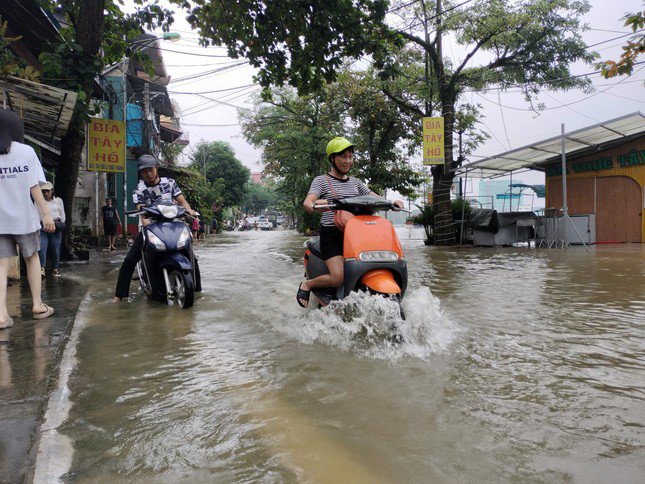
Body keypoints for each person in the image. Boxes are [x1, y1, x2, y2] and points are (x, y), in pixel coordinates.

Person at [297, 137, 403, 308]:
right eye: (343, 157)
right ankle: (307, 285)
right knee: (338, 276)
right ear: (333, 158)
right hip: (332, 234)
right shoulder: (321, 181)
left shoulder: (356, 182)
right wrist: (315, 205)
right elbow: (309, 201)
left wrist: (391, 203)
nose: (348, 161)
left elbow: (373, 197)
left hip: (356, 234)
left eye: (351, 157)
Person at [113, 154, 200, 302]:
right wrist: (148, 227)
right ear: (141, 173)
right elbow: (141, 212)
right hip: (152, 227)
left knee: (191, 254)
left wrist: (190, 211)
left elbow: (182, 201)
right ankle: (120, 295)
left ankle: (197, 289)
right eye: (144, 171)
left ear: (157, 168)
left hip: (173, 226)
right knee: (130, 260)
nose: (148, 174)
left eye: (151, 170)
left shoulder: (170, 183)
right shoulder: (139, 190)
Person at [0, 109, 55, 329]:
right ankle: (37, 305)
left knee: (1, 265)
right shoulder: (26, 151)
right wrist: (47, 215)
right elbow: (35, 187)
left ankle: (2, 315)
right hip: (25, 219)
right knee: (32, 258)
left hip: (0, 221)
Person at [38, 181, 65, 276]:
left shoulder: (58, 201)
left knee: (56, 248)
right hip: (43, 226)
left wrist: (59, 223)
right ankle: (42, 268)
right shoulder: (39, 201)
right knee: (42, 247)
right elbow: (36, 214)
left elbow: (62, 215)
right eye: (43, 191)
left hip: (56, 226)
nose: (45, 193)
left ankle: (56, 268)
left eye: (47, 191)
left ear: (52, 191)